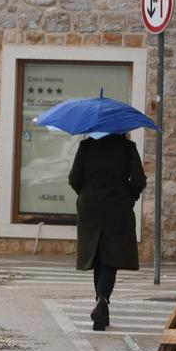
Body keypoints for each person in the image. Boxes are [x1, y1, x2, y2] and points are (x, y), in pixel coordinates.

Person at [68, 132, 146, 331]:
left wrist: (88, 193)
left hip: (90, 205)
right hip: (117, 204)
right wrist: (129, 196)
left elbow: (74, 179)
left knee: (97, 255)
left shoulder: (86, 147)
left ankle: (101, 306)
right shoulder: (127, 148)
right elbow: (139, 180)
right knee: (111, 255)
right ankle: (102, 301)